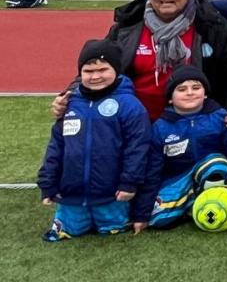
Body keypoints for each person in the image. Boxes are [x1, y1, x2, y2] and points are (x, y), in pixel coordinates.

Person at [58, 0, 227, 125]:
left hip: (196, 125)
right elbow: (97, 66)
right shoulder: (127, 27)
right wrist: (69, 94)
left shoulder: (213, 26)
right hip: (135, 126)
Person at [38, 40, 151, 241]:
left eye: (103, 70)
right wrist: (48, 182)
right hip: (71, 192)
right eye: (88, 71)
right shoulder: (70, 104)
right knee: (70, 228)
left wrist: (129, 183)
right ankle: (71, 222)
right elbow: (56, 146)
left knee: (112, 229)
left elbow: (137, 149)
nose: (96, 76)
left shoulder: (130, 105)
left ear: (116, 69)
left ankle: (112, 223)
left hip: (112, 193)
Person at [135, 66, 227, 229]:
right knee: (158, 220)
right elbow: (152, 171)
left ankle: (212, 200)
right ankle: (191, 202)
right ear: (170, 98)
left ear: (205, 94)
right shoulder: (160, 128)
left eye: (196, 88)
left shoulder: (222, 117)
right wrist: (142, 215)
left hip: (213, 173)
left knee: (215, 163)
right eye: (182, 89)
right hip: (179, 181)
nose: (190, 93)